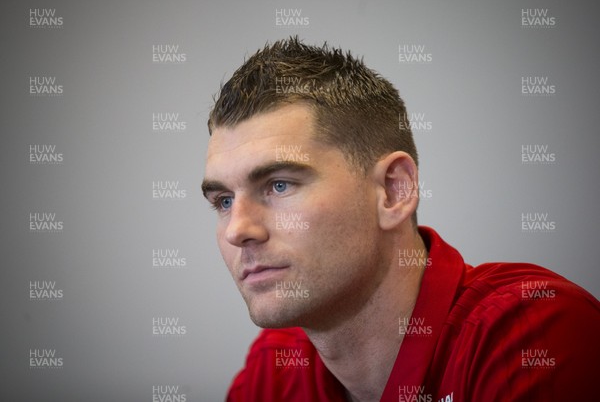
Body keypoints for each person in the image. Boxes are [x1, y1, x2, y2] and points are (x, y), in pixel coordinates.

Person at [201, 37, 600, 402]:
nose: (238, 229)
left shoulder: (532, 332)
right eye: (223, 200)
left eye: (280, 185)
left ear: (394, 191)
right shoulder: (274, 368)